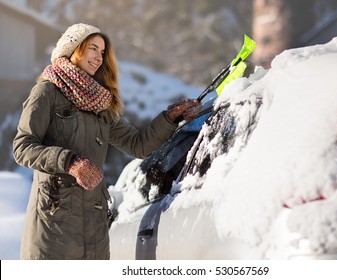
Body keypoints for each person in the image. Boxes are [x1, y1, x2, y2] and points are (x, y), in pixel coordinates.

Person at [13, 23, 200, 260]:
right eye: (93, 48)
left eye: (102, 52)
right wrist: (69, 161)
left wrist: (170, 118)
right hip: (54, 226)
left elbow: (138, 144)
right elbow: (23, 146)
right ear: (74, 49)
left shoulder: (100, 105)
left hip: (95, 229)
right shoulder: (46, 93)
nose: (99, 57)